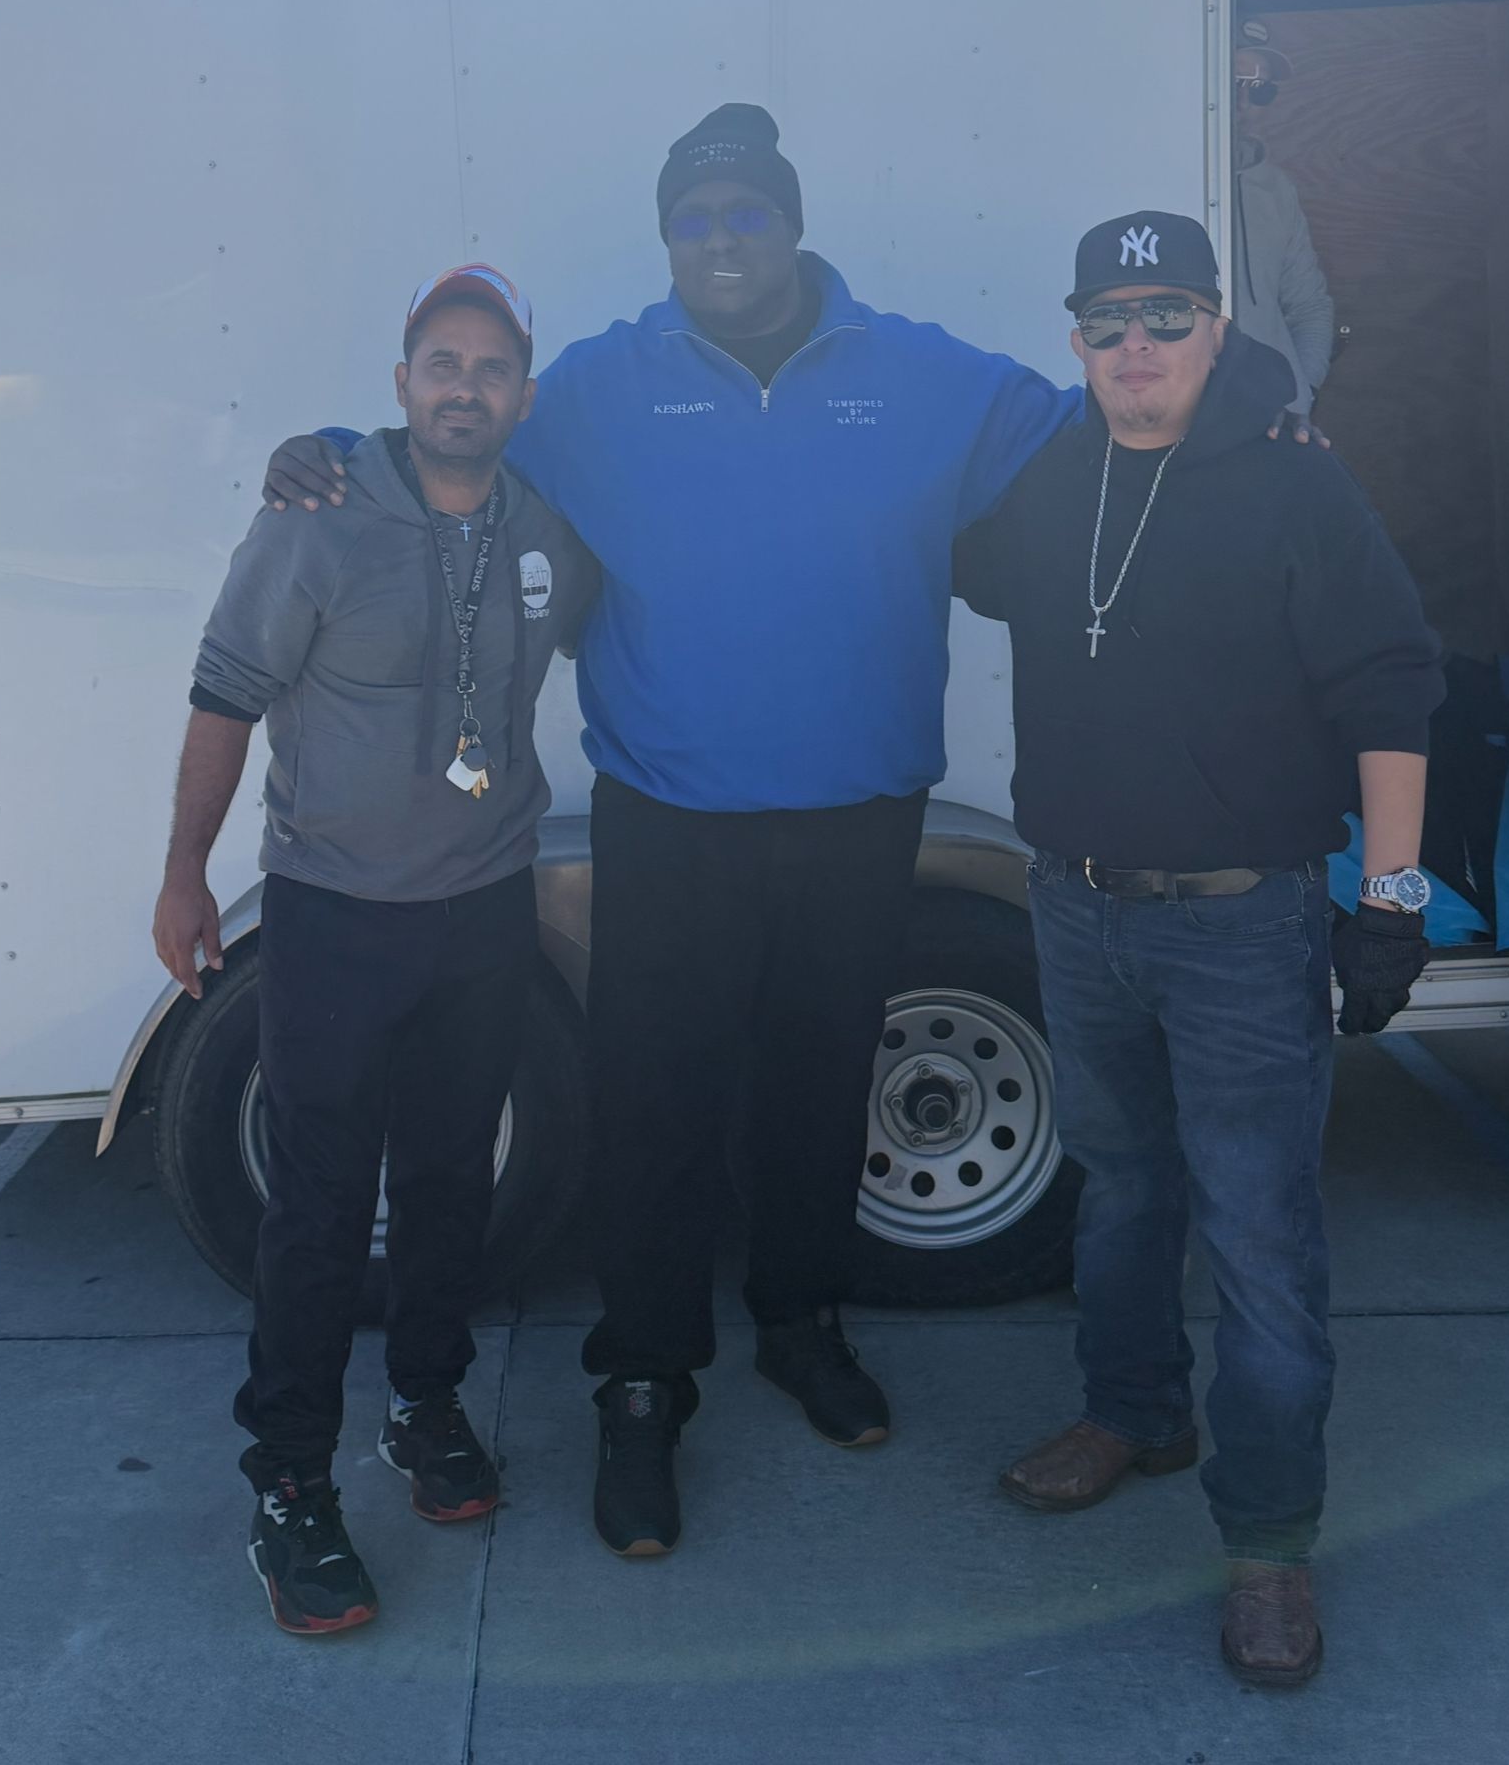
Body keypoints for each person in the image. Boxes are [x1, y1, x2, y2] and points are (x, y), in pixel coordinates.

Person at [261, 104, 1087, 1560]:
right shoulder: (596, 387)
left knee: (819, 1090)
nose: (719, 239)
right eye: (692, 218)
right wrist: (324, 445)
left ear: (789, 225)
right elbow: (453, 439)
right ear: (667, 242)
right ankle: (644, 1375)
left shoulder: (920, 374)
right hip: (671, 816)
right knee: (655, 1103)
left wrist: (1258, 384)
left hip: (855, 810)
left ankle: (797, 1320)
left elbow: (1098, 420)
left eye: (744, 212)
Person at [955, 213, 1441, 1689]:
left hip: (1242, 920)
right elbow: (954, 554)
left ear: (1216, 328)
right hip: (1076, 902)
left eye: (1164, 312)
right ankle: (1132, 1410)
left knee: (1256, 1233)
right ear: (1076, 339)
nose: (1135, 344)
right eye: (1104, 319)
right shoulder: (1055, 474)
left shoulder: (1296, 485)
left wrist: (1393, 898)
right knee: (1115, 1189)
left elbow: (1389, 685)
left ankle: (1268, 1543)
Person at [153, 263, 595, 1636]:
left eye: (492, 367)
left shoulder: (544, 523)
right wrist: (181, 872)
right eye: (441, 362)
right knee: (318, 1210)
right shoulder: (318, 513)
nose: (466, 387)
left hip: (480, 908)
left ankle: (425, 1404)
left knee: (453, 1181)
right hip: (333, 917)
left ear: (522, 390)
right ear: (402, 380)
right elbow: (224, 694)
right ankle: (288, 1480)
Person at [1231, 17, 1336, 421]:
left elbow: (1309, 306)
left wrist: (1301, 389)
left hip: (1276, 420)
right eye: (1233, 81)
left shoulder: (1276, 188)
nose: (1244, 103)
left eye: (1259, 89)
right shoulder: (1161, 178)